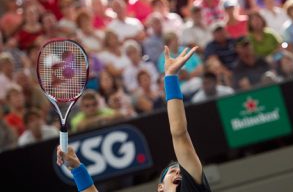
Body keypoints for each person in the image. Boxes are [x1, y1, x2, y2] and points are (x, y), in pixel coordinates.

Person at [57, 45, 212, 192]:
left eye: (180, 172)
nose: (179, 173)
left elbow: (179, 134)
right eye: (173, 171)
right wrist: (76, 169)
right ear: (160, 188)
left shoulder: (193, 188)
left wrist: (170, 77)